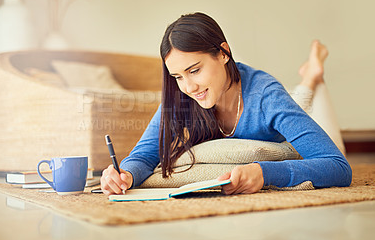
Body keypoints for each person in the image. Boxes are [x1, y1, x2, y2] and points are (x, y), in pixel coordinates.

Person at [100, 12, 352, 196]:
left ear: (223, 53)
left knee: (305, 99)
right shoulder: (183, 97)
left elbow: (338, 166)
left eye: (195, 70)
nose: (188, 87)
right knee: (296, 100)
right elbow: (144, 155)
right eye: (178, 77)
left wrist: (265, 173)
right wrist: (125, 175)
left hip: (302, 118)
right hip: (272, 106)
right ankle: (309, 75)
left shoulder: (267, 94)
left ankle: (312, 75)